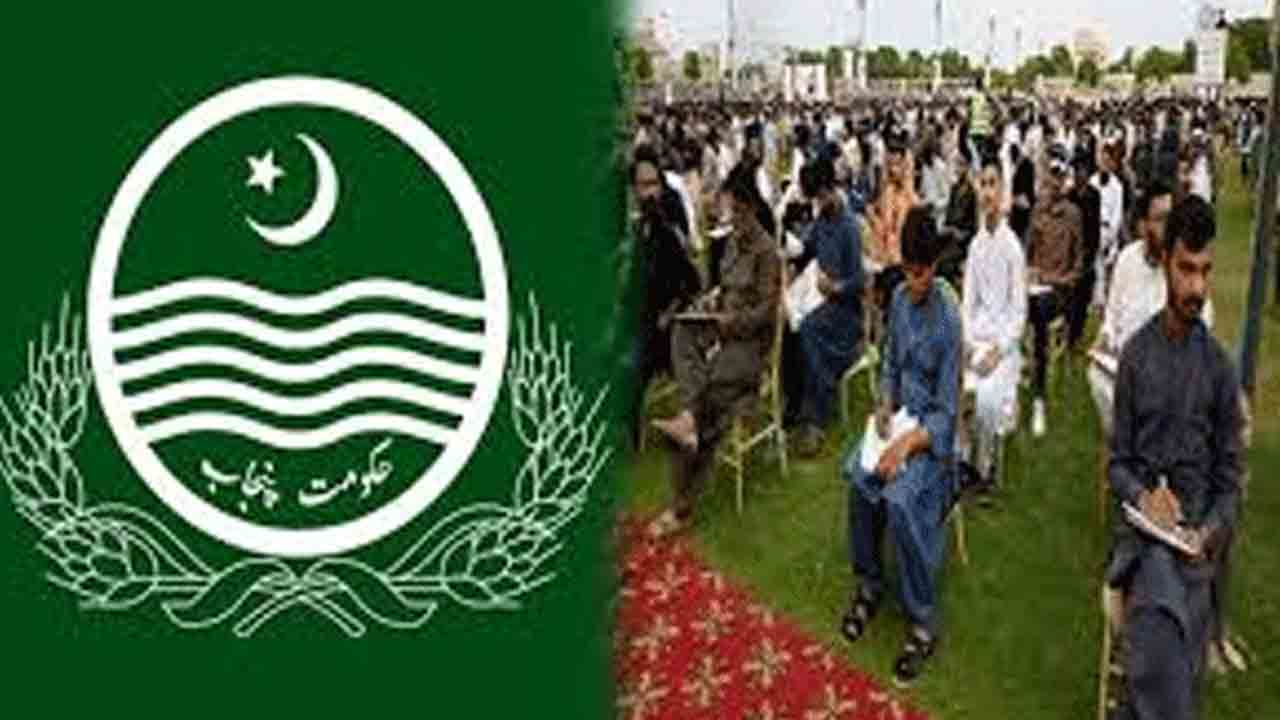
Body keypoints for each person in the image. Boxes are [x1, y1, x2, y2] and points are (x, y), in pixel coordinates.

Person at [1107, 195, 1242, 720]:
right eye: (1186, 270)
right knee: (1161, 601)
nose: (1197, 288)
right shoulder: (1136, 356)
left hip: (1196, 550)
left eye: (1205, 272)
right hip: (1142, 541)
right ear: (1165, 262)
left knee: (1176, 604)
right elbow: (1117, 464)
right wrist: (1144, 498)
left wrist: (1207, 532)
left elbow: (1229, 483)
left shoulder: (1220, 370)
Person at [839, 206, 960, 689]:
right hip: (898, 422)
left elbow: (947, 415)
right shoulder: (897, 299)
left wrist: (908, 445)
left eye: (921, 272)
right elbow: (889, 362)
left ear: (935, 265)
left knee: (900, 499)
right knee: (858, 477)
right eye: (908, 270)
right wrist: (884, 402)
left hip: (929, 439)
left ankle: (923, 619)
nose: (913, 281)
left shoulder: (948, 320)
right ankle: (869, 582)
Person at [648, 164, 783, 538]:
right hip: (722, 331)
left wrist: (731, 321)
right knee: (681, 330)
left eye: (737, 210)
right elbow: (725, 287)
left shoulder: (767, 252)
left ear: (750, 208)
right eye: (729, 210)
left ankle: (681, 505)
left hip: (749, 347)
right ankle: (689, 414)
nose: (731, 217)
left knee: (707, 398)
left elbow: (765, 313)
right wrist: (711, 302)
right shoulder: (732, 244)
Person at [1088, 181, 1214, 436]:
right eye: (1161, 219)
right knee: (1096, 373)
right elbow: (1112, 315)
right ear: (1142, 225)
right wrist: (1106, 337)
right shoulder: (1127, 259)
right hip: (1122, 368)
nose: (1169, 227)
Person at [788, 156, 866, 455]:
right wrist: (792, 263)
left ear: (830, 189)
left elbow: (859, 280)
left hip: (846, 313)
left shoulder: (849, 226)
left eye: (821, 197)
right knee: (791, 326)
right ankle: (796, 403)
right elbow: (806, 250)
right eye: (816, 200)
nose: (819, 204)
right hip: (822, 303)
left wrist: (836, 287)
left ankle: (816, 417)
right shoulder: (822, 222)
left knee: (809, 329)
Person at [960, 152, 1027, 491]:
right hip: (976, 341)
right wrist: (968, 344)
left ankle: (983, 470)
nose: (987, 192)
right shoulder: (975, 246)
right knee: (954, 387)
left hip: (1003, 348)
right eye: (982, 184)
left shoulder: (1013, 247)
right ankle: (960, 461)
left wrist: (998, 352)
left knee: (986, 397)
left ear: (1002, 191)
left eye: (992, 184)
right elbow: (967, 302)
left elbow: (1019, 313)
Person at [629, 147, 704, 447]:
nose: (648, 192)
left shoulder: (667, 227)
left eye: (653, 184)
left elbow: (692, 283)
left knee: (631, 363)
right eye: (642, 185)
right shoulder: (640, 228)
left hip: (668, 325)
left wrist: (669, 313)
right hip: (641, 317)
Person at [1026, 143, 1084, 438]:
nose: (1055, 181)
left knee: (1038, 315)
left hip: (1059, 292)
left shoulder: (1073, 214)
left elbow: (1078, 264)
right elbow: (1028, 251)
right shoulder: (1038, 210)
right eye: (1051, 174)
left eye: (1059, 175)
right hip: (1035, 285)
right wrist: (1030, 273)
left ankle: (1038, 397)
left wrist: (1058, 280)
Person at [1067, 149, 1102, 350]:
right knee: (1070, 298)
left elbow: (1095, 227)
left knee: (1083, 297)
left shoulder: (1094, 196)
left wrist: (1091, 253)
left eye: (1083, 170)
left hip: (1088, 252)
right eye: (1077, 170)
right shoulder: (1070, 195)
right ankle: (1070, 336)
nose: (1079, 174)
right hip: (1071, 253)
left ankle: (1077, 333)